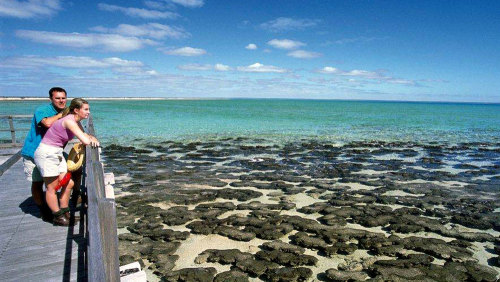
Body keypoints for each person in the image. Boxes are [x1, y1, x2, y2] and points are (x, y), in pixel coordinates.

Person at [34, 98, 99, 226]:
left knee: (68, 183)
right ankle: (58, 216)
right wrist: (91, 140)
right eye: (86, 109)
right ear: (76, 110)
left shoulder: (75, 120)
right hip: (47, 153)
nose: (88, 112)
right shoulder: (69, 121)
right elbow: (85, 140)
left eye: (89, 109)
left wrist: (93, 137)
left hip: (56, 152)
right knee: (51, 188)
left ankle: (66, 212)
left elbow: (85, 135)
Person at [21, 87, 67, 221]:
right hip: (33, 152)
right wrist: (61, 115)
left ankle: (60, 206)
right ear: (51, 99)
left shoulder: (66, 111)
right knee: (37, 182)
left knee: (62, 180)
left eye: (63, 98)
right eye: (57, 98)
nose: (61, 101)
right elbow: (46, 123)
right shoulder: (42, 110)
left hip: (53, 152)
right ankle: (44, 211)